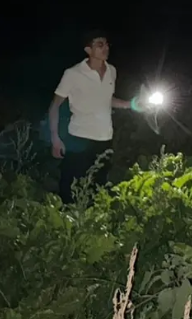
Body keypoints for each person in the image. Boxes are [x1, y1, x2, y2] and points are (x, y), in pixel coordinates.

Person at [48, 31, 139, 204]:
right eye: (99, 45)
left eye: (106, 44)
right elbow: (55, 106)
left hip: (105, 138)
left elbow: (105, 99)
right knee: (71, 187)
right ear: (88, 50)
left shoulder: (112, 70)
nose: (105, 48)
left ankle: (92, 224)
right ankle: (67, 224)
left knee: (98, 185)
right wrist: (55, 138)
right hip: (79, 138)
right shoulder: (73, 74)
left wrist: (131, 104)